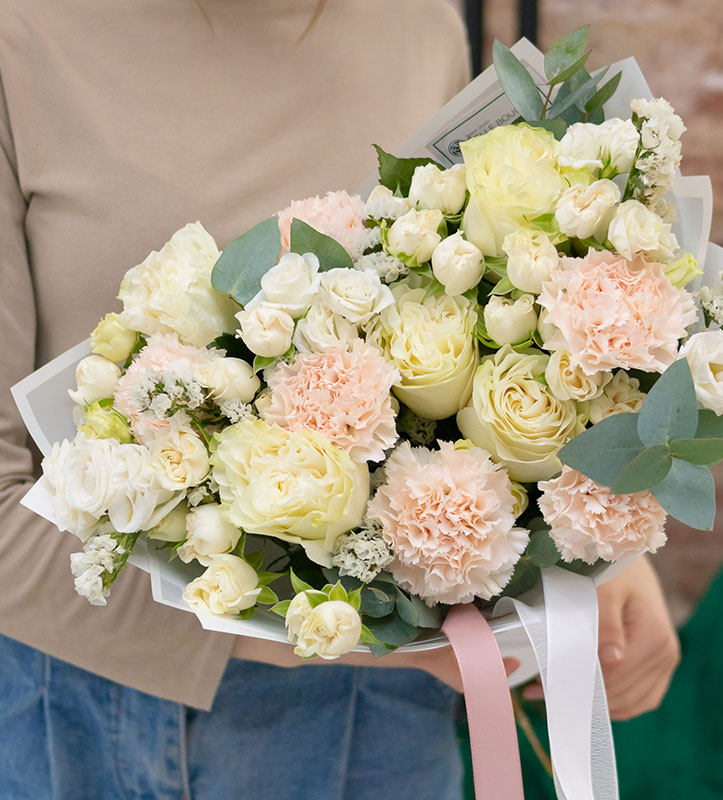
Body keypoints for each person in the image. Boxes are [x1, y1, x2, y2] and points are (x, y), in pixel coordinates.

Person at [0, 1, 679, 797]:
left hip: (397, 709)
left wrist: (589, 547)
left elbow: (467, 315)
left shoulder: (419, 25)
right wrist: (345, 634)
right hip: (114, 707)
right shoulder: (24, 37)